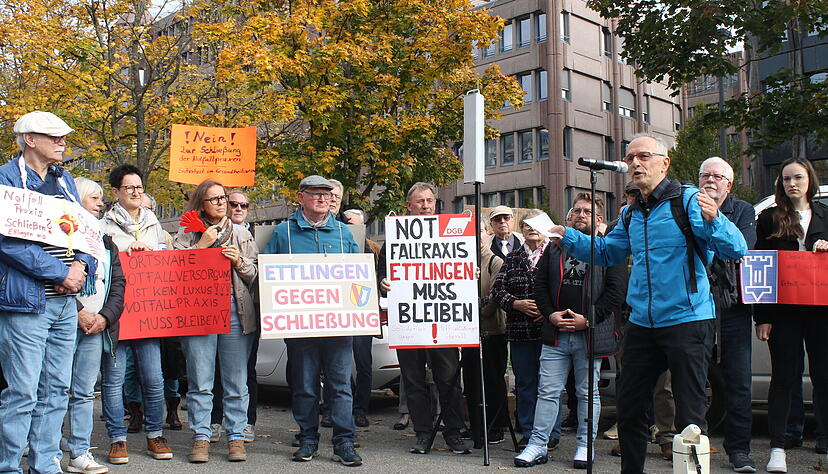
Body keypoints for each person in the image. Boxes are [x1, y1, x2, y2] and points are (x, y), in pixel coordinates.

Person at [547, 133, 747, 473]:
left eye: (643, 156)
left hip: (687, 319)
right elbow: (607, 252)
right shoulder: (630, 213)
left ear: (663, 163)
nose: (635, 164)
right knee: (629, 407)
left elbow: (736, 249)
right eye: (629, 158)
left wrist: (716, 219)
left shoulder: (688, 202)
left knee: (691, 417)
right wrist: (567, 236)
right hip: (642, 322)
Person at [0, 111, 97, 473]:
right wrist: (60, 272)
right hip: (27, 304)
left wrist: (80, 268)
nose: (62, 142)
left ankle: (45, 464)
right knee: (22, 391)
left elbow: (86, 232)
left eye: (62, 137)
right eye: (53, 136)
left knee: (57, 389)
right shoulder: (5, 179)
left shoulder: (65, 179)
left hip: (64, 303)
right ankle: (9, 466)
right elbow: (7, 242)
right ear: (29, 139)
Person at [514, 196, 626, 469]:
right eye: (576, 210)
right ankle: (537, 445)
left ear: (598, 219)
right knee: (548, 391)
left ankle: (585, 446)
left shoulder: (610, 249)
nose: (580, 215)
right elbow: (540, 285)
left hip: (590, 333)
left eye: (587, 211)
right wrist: (551, 313)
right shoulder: (553, 248)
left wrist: (588, 319)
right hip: (556, 332)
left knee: (588, 393)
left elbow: (616, 292)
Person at [264, 175, 363, 466]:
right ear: (301, 197)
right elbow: (268, 273)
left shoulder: (344, 234)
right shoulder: (284, 233)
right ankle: (308, 438)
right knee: (305, 385)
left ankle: (344, 441)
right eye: (315, 193)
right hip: (300, 326)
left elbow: (359, 276)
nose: (322, 198)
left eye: (326, 194)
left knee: (340, 385)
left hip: (339, 324)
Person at [378, 182, 470, 455]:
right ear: (409, 205)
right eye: (420, 201)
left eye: (430, 201)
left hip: (443, 322)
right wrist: (383, 280)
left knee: (449, 380)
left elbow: (459, 265)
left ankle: (453, 433)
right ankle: (422, 433)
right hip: (409, 322)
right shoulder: (394, 238)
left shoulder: (449, 234)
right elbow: (381, 271)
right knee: (414, 380)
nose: (426, 206)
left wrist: (469, 273)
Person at [174, 179, 258, 463]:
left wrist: (240, 263)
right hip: (199, 314)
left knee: (237, 380)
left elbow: (255, 275)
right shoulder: (187, 232)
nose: (222, 203)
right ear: (201, 204)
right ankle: (201, 436)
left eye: (223, 197)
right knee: (200, 380)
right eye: (215, 199)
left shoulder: (242, 235)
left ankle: (235, 437)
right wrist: (202, 244)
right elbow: (174, 270)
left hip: (235, 313)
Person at [754, 157, 828, 473]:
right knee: (784, 376)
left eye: (797, 177)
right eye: (785, 179)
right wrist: (763, 316)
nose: (791, 183)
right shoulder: (770, 217)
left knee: (824, 375)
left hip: (822, 308)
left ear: (809, 178)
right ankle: (778, 446)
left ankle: (824, 439)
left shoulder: (826, 213)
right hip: (783, 310)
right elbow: (761, 264)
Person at [100, 164, 173, 463]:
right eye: (129, 187)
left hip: (149, 313)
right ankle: (117, 438)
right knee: (113, 379)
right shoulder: (103, 226)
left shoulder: (155, 224)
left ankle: (155, 434)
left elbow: (167, 261)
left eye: (139, 188)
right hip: (118, 313)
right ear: (116, 192)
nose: (135, 192)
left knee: (154, 378)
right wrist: (130, 247)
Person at [695, 157, 758, 471]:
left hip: (734, 307)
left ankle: (739, 450)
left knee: (738, 380)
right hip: (695, 307)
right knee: (693, 380)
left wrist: (715, 219)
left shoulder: (743, 211)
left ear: (729, 184)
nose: (710, 180)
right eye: (705, 175)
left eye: (718, 176)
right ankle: (696, 447)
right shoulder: (687, 208)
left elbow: (742, 248)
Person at [66, 177, 127, 474]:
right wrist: (78, 311)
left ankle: (79, 452)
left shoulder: (105, 242)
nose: (100, 204)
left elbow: (117, 283)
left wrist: (105, 317)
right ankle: (49, 449)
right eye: (94, 199)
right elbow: (54, 279)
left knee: (84, 391)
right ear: (77, 200)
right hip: (65, 323)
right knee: (52, 390)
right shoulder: (61, 236)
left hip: (96, 327)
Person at [491, 208, 548, 448]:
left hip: (550, 331)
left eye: (536, 225)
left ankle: (549, 433)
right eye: (527, 225)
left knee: (549, 385)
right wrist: (516, 304)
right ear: (521, 230)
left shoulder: (556, 254)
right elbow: (498, 291)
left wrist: (549, 311)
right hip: (520, 331)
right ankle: (527, 431)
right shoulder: (513, 257)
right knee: (525, 383)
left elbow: (566, 289)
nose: (531, 229)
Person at [210, 189, 258, 444]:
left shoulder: (248, 236)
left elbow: (257, 274)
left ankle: (242, 427)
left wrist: (239, 262)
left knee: (242, 373)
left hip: (242, 311)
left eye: (244, 205)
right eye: (233, 203)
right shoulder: (199, 231)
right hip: (206, 310)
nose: (239, 208)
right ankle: (212, 424)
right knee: (208, 374)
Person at [462, 222, 508, 447]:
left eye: (477, 230)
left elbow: (495, 297)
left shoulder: (495, 261)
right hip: (468, 332)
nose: (473, 235)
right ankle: (477, 427)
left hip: (491, 331)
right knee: (471, 381)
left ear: (486, 233)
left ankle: (496, 426)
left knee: (492, 380)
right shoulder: (461, 260)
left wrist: (474, 313)